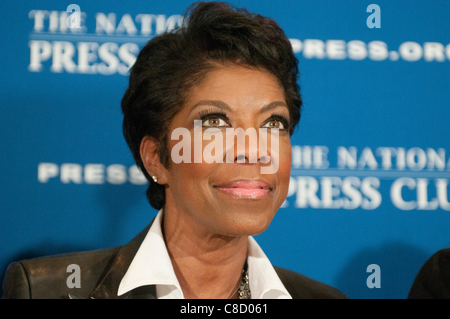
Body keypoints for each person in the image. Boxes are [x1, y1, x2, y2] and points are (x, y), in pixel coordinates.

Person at [2, 1, 346, 299]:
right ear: (157, 158)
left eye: (274, 123)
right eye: (215, 122)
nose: (254, 150)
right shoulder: (48, 290)